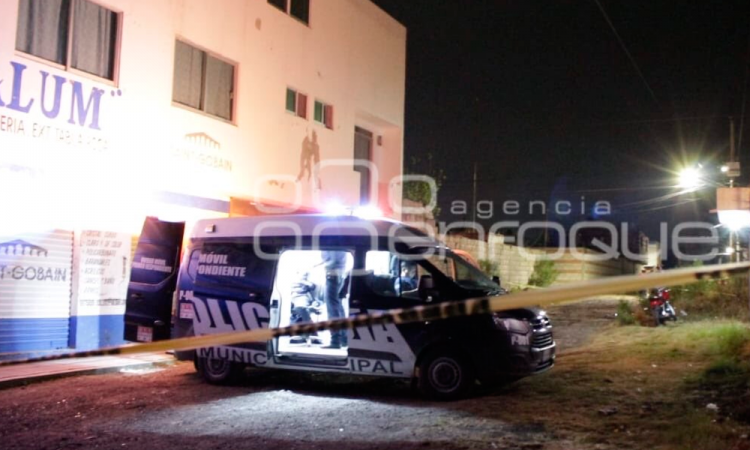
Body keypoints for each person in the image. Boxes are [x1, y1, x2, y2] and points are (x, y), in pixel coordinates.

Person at [321, 250, 348, 348]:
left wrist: (323, 266)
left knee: (332, 308)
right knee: (338, 307)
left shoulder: (331, 243)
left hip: (333, 274)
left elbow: (333, 261)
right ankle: (344, 338)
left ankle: (335, 340)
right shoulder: (341, 244)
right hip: (338, 274)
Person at [289, 271, 323, 345]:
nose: (304, 276)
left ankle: (311, 335)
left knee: (302, 310)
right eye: (303, 274)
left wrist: (315, 303)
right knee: (300, 312)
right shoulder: (293, 281)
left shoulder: (310, 284)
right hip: (293, 300)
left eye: (305, 275)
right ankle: (312, 335)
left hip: (302, 300)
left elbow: (313, 288)